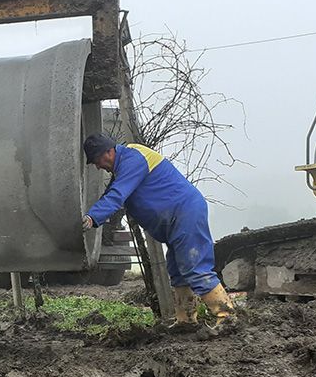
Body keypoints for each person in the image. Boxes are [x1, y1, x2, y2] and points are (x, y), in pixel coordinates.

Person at [81, 133, 234, 328]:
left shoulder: (133, 159)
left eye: (97, 160)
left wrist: (91, 218)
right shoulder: (124, 167)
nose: (97, 166)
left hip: (184, 213)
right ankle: (186, 321)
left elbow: (116, 196)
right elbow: (112, 196)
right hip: (176, 217)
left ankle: (227, 316)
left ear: (108, 152)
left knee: (194, 265)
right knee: (178, 270)